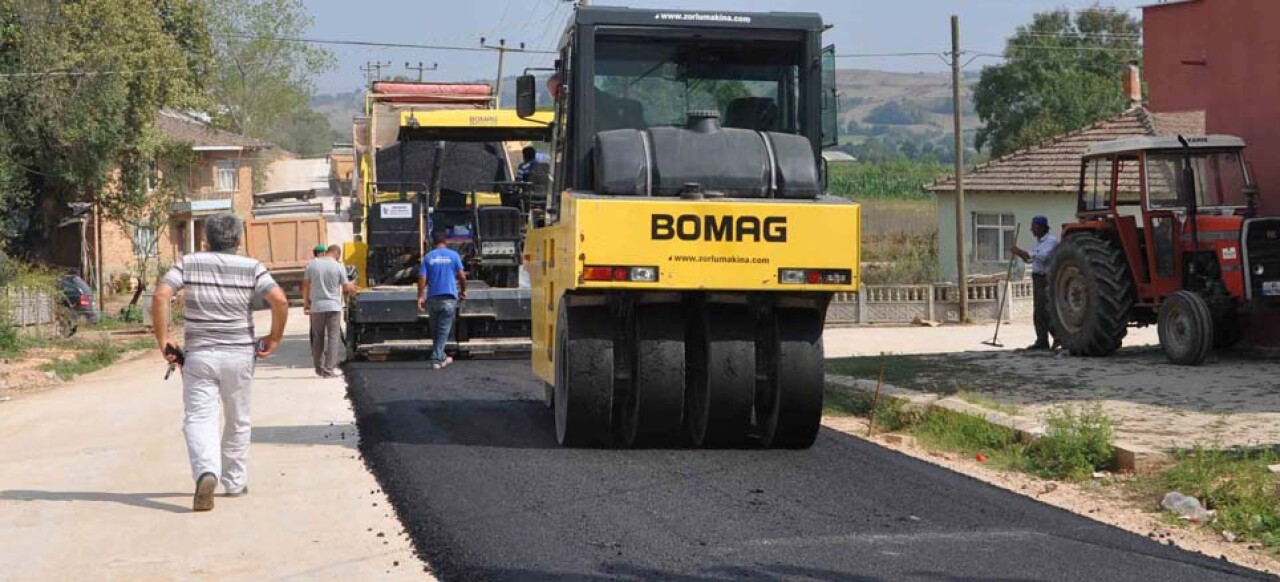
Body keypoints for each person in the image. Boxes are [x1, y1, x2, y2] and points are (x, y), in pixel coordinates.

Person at [151, 213, 289, 512]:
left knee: (200, 418)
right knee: (237, 418)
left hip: (200, 355)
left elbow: (162, 295)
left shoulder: (188, 263)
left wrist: (163, 340)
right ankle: (235, 482)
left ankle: (206, 472)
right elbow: (279, 300)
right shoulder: (252, 267)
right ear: (239, 240)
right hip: (239, 354)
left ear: (206, 239)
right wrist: (275, 337)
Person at [303, 244, 356, 377]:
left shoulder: (312, 265)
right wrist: (353, 287)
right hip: (333, 307)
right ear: (337, 254)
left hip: (316, 308)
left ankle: (318, 368)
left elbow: (305, 285)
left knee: (317, 338)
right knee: (333, 338)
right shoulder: (338, 266)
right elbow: (345, 287)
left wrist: (306, 303)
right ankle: (328, 370)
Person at [417, 230, 467, 369]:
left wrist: (420, 296)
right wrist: (463, 291)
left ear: (433, 242)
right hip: (449, 297)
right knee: (443, 330)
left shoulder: (428, 257)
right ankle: (437, 358)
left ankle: (442, 356)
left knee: (435, 330)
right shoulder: (454, 256)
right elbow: (462, 276)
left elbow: (422, 279)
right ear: (446, 241)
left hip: (433, 297)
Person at [1012, 215, 1060, 351]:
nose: (1031, 230)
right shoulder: (1040, 241)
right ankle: (1042, 341)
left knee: (1045, 310)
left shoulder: (1050, 241)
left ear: (1041, 227)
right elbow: (1029, 260)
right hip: (1037, 278)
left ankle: (1058, 337)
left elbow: (1042, 257)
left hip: (1046, 279)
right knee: (1038, 311)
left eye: (1033, 227)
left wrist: (1020, 251)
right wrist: (1019, 253)